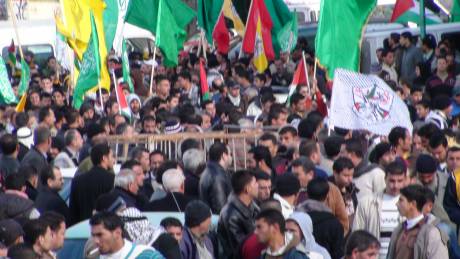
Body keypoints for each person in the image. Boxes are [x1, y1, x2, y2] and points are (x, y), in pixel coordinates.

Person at [352, 161, 407, 259]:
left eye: (400, 181)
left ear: (406, 180)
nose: (395, 186)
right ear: (385, 179)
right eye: (392, 181)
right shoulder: (367, 203)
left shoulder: (411, 204)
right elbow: (357, 235)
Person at [387, 185, 449, 259]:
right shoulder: (399, 229)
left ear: (413, 204)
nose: (396, 204)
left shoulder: (432, 233)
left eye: (401, 200)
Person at [298, 178, 344, 259]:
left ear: (307, 194)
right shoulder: (334, 223)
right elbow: (338, 253)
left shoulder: (296, 219)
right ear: (327, 196)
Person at [69, 143, 115, 225]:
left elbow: (72, 211)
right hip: (103, 227)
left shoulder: (77, 180)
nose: (114, 160)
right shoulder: (112, 179)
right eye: (112, 156)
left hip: (80, 227)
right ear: (104, 158)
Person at [218, 170, 260, 258]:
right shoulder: (230, 215)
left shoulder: (254, 206)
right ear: (247, 189)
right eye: (255, 182)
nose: (258, 185)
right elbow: (241, 246)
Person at [89, 211, 164, 258]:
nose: (96, 241)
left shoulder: (146, 255)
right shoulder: (94, 256)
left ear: (117, 233)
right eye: (93, 235)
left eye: (100, 235)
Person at [414, 154, 451, 225]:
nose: (426, 180)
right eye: (422, 177)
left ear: (435, 172)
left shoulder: (448, 181)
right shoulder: (412, 184)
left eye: (429, 176)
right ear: (417, 174)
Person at [199, 142, 232, 214]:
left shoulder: (209, 170)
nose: (231, 157)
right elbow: (220, 206)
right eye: (230, 154)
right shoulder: (217, 176)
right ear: (224, 156)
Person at [329, 157, 359, 228]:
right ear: (335, 173)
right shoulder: (328, 190)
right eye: (346, 175)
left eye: (351, 175)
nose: (350, 179)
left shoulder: (351, 188)